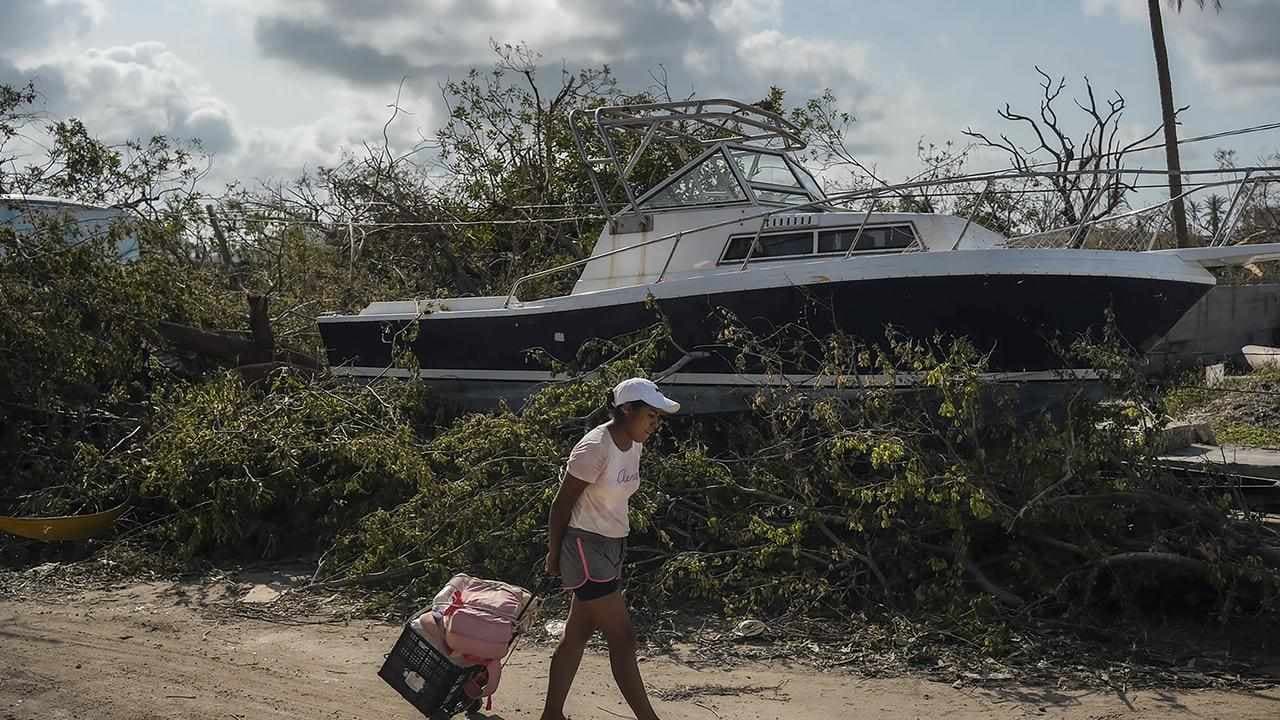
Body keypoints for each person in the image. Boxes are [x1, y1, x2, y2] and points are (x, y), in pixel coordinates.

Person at [540, 377, 679, 720]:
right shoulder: (594, 447)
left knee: (577, 635)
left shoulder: (634, 443)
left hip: (611, 548)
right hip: (585, 549)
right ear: (626, 410)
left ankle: (551, 716)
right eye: (650, 416)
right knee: (623, 638)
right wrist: (555, 554)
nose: (655, 424)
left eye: (658, 418)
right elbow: (561, 505)